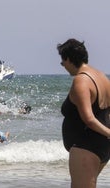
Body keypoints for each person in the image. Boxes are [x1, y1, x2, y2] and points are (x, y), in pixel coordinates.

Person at [57, 38, 110, 187]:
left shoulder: (81, 81)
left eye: (62, 62)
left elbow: (89, 119)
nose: (63, 66)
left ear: (68, 59)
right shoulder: (102, 76)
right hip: (101, 146)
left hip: (86, 146)